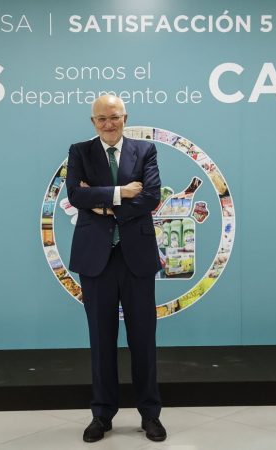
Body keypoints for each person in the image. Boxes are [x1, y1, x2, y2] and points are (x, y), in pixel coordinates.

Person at [66, 95, 166, 443]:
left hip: (136, 257)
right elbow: (76, 196)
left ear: (125, 117)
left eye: (114, 117)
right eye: (101, 118)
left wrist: (103, 203)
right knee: (101, 339)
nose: (108, 124)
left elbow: (151, 196)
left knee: (144, 339)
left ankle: (150, 414)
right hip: (96, 259)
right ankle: (102, 414)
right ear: (93, 122)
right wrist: (122, 192)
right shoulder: (80, 152)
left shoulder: (145, 150)